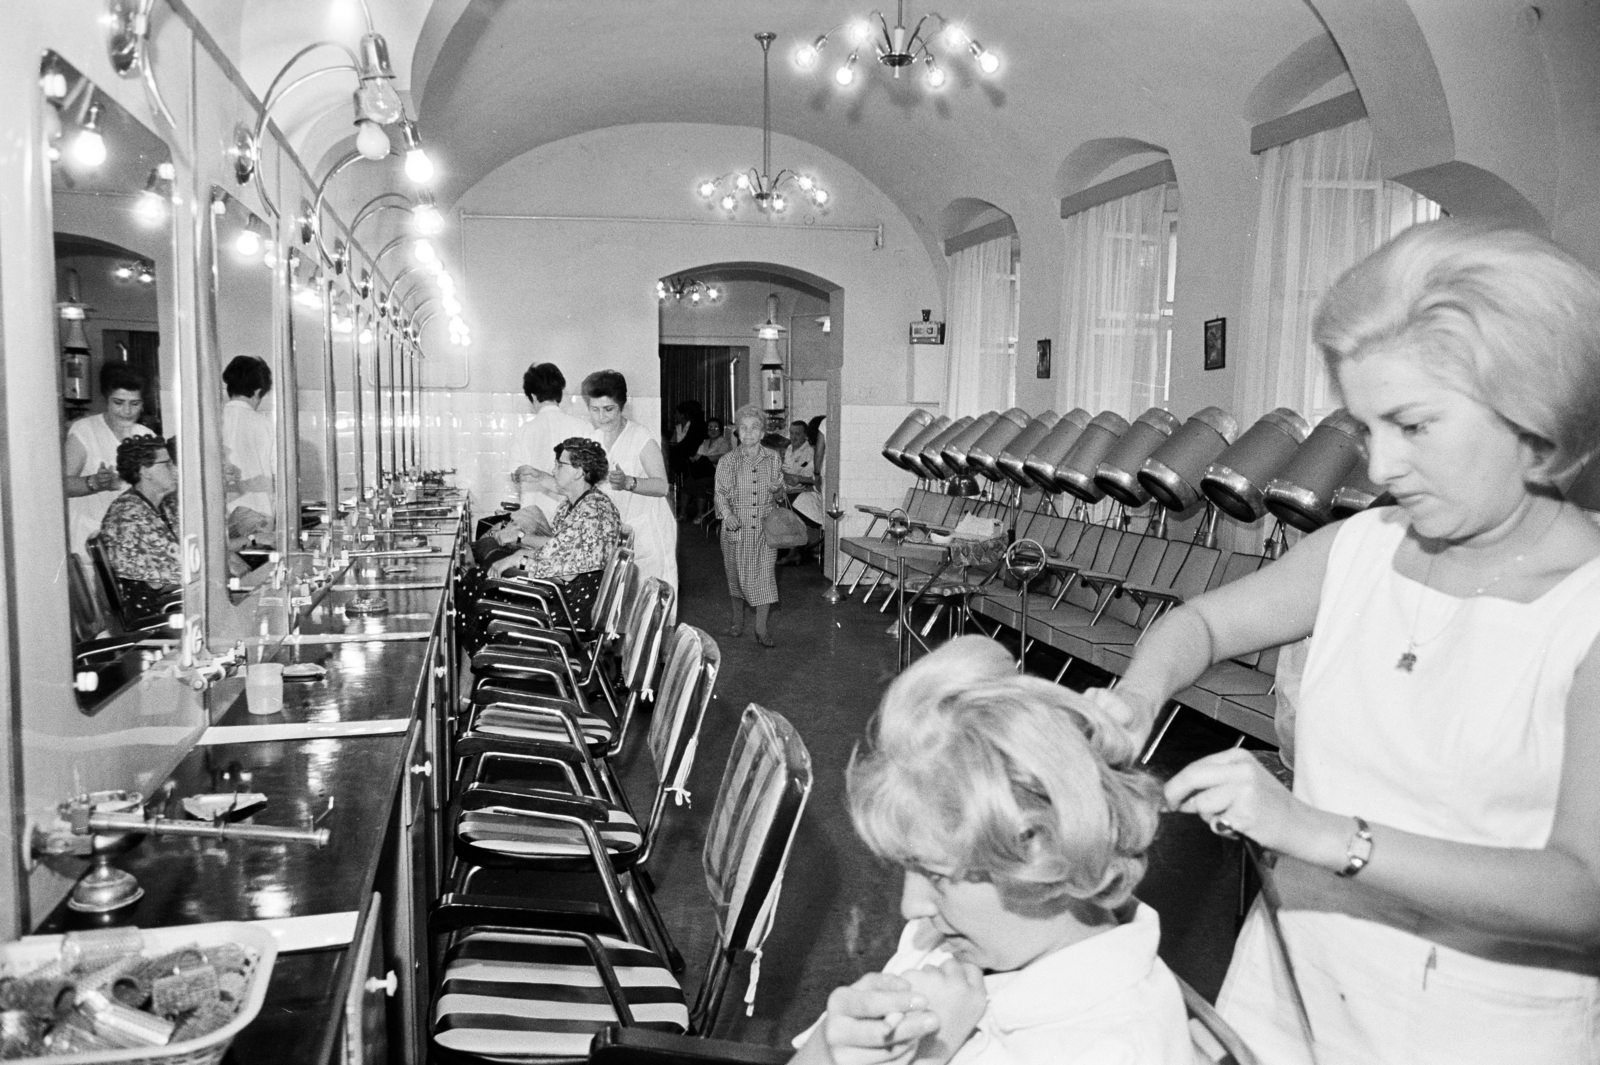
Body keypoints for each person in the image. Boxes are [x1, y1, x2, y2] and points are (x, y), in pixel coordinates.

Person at [1102, 221, 1600, 1064]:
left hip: (1483, 1026)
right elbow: (1203, 622)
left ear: (1533, 413)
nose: (1381, 466)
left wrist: (1321, 832)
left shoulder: (1583, 610)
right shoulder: (1360, 548)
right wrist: (1132, 700)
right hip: (1292, 986)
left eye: (1413, 425)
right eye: (1367, 430)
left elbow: (1584, 890)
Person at [790, 636, 1191, 1065]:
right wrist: (829, 1051)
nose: (911, 908)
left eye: (937, 875)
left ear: (1045, 852)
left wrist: (926, 1056)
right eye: (910, 867)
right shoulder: (950, 939)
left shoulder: (1111, 1050)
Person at [487, 437, 622, 621]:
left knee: (482, 592)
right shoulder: (579, 504)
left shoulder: (593, 513)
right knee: (483, 577)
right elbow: (558, 547)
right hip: (563, 594)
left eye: (559, 465)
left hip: (572, 605)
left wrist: (520, 560)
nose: (553, 471)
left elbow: (568, 572)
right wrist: (519, 552)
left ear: (578, 472)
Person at [581, 370, 678, 591]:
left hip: (648, 529)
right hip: (617, 530)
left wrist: (628, 482)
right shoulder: (594, 439)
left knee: (650, 599)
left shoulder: (641, 437)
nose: (602, 417)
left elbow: (662, 486)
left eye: (609, 409)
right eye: (594, 410)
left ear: (622, 405)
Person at [64, 362, 155, 558]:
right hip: (89, 541)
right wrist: (94, 483)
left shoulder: (146, 435)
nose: (127, 411)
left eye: (135, 403)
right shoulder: (85, 431)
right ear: (106, 399)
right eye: (118, 402)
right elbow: (62, 484)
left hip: (129, 544)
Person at [716, 405, 785, 647]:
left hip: (766, 527)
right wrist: (727, 515)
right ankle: (737, 620)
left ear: (763, 433)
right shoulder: (728, 461)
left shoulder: (773, 458)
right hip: (738, 526)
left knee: (764, 577)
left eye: (754, 428)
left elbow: (780, 496)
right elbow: (720, 494)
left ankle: (761, 629)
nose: (748, 433)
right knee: (736, 577)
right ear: (736, 432)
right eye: (743, 428)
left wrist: (777, 491)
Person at [99, 435, 181, 619]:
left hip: (171, 598)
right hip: (154, 611)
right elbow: (161, 579)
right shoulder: (128, 516)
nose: (175, 469)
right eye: (167, 464)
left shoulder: (165, 505)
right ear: (146, 471)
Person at [509, 362, 593, 527]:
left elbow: (516, 476)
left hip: (533, 523)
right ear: (559, 392)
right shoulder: (583, 427)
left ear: (533, 396)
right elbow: (592, 476)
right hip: (573, 520)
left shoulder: (523, 431)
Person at [221, 355, 275, 545]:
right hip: (258, 518)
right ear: (257, 392)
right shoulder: (264, 424)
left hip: (221, 517)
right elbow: (279, 475)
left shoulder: (211, 422)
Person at [688, 415, 732, 523]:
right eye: (710, 428)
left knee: (700, 484)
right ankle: (682, 513)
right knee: (688, 481)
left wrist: (704, 458)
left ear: (720, 430)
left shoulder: (724, 443)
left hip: (718, 476)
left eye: (716, 428)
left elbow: (721, 458)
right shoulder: (705, 442)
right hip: (703, 473)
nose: (713, 430)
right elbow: (697, 456)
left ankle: (700, 514)